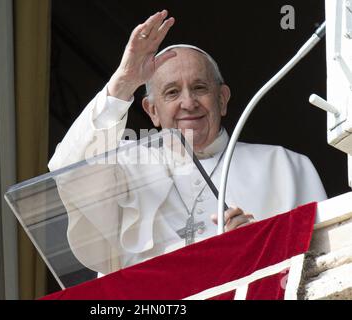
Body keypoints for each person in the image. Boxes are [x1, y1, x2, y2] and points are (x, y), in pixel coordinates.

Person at [48, 10, 327, 275]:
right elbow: (69, 170)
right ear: (152, 111)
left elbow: (326, 261)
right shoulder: (126, 168)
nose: (188, 103)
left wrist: (262, 247)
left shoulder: (285, 166)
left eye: (199, 88)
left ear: (222, 99)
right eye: (171, 93)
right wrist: (123, 83)